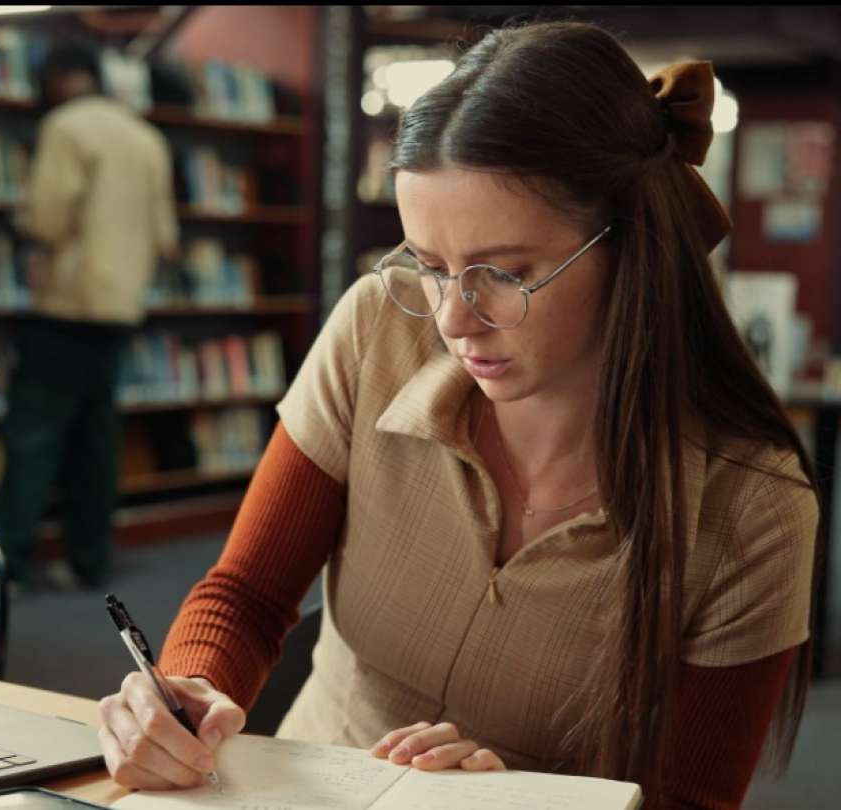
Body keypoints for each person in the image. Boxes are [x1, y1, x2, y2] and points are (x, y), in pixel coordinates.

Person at [95, 20, 822, 809]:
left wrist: (512, 800)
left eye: (503, 274)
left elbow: (693, 802)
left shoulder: (752, 504)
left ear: (630, 246)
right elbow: (247, 596)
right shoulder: (379, 328)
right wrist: (189, 690)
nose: (451, 320)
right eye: (430, 266)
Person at [0, 40, 179, 590]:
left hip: (68, 305)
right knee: (97, 439)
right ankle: (89, 558)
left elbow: (46, 220)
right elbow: (166, 237)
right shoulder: (147, 138)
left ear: (62, 77)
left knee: (34, 437)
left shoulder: (67, 128)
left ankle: (7, 566)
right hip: (122, 307)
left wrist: (21, 217)